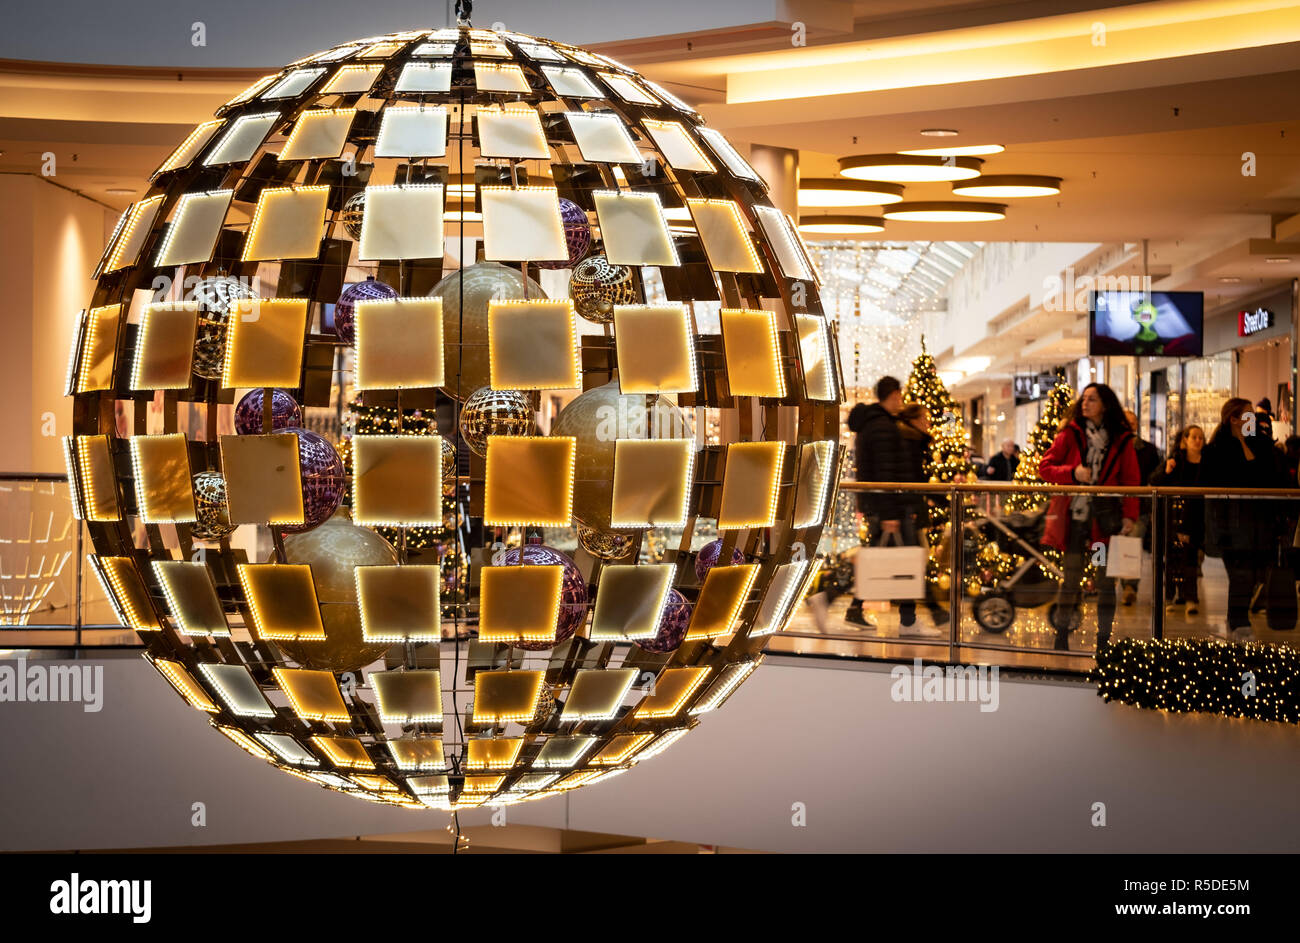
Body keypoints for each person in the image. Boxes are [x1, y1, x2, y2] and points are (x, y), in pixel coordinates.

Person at [1038, 383, 1140, 651]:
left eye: (1092, 399)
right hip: (1076, 521)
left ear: (1105, 405)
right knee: (1071, 578)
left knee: (1105, 581)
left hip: (1102, 526)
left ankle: (1103, 640)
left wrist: (1130, 515)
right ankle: (1062, 635)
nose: (1085, 403)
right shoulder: (1071, 434)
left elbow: (1131, 480)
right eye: (1084, 399)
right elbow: (1045, 468)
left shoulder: (1120, 438)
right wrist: (1073, 473)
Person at [844, 376, 944, 637]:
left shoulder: (879, 424)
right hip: (891, 508)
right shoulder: (882, 427)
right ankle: (913, 619)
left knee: (889, 561)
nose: (901, 401)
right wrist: (890, 513)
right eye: (899, 396)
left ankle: (902, 618)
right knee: (903, 561)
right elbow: (885, 473)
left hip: (888, 506)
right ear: (893, 395)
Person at [1201, 398, 1287, 640]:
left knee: (1253, 574)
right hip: (1230, 523)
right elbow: (1209, 486)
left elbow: (1271, 479)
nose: (1254, 420)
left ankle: (1237, 622)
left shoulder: (1263, 445)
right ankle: (1240, 624)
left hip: (1260, 521)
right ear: (1234, 419)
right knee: (1241, 573)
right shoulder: (1217, 449)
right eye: (1248, 415)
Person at [897, 403, 951, 631]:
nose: (928, 422)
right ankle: (927, 614)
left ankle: (916, 617)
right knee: (913, 562)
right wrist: (944, 502)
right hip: (907, 511)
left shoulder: (913, 441)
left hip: (908, 510)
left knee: (912, 563)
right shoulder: (909, 442)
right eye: (924, 417)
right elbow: (916, 481)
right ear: (914, 419)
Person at [1150, 425, 1206, 615]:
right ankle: (1170, 596)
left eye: (1201, 437)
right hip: (1174, 516)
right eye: (1194, 437)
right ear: (1185, 440)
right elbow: (1155, 481)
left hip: (1195, 517)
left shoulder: (1206, 463)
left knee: (1191, 559)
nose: (1198, 441)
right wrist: (1166, 471)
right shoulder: (1175, 461)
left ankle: (1190, 597)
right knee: (1172, 557)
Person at [1119, 409, 1162, 606]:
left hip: (1138, 507)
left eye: (1132, 422)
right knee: (1102, 544)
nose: (1130, 425)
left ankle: (1129, 586)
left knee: (1132, 542)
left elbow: (1155, 476)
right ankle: (1101, 581)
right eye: (1126, 422)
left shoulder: (1149, 450)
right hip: (1112, 506)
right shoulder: (1111, 448)